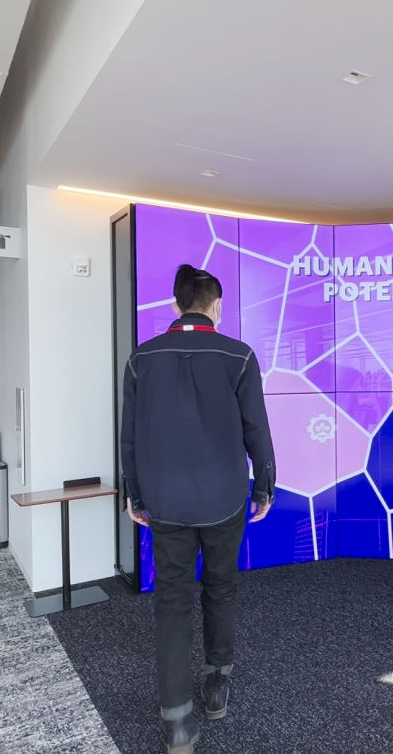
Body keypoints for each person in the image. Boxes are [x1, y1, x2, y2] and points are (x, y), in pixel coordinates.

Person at [120, 264, 276, 754]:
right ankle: (216, 683)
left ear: (176, 305)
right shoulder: (239, 356)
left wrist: (136, 495)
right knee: (221, 587)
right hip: (224, 497)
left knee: (172, 599)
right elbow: (257, 429)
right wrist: (264, 487)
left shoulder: (141, 359)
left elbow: (130, 437)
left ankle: (178, 722)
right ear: (216, 306)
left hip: (165, 500)